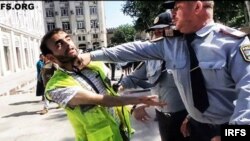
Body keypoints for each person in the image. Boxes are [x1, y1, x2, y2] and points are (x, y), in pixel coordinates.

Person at [75, 1, 250, 141]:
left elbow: (248, 93)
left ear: (197, 7)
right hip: (195, 126)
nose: (173, 13)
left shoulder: (233, 43)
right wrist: (92, 55)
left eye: (177, 7)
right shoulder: (172, 44)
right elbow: (135, 49)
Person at [40, 28, 165, 141]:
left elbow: (111, 93)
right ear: (50, 57)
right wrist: (138, 99)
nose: (68, 44)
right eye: (59, 44)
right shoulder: (55, 87)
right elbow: (103, 100)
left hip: (121, 133)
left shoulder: (96, 66)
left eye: (68, 38)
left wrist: (132, 109)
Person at [119, 11, 188, 141]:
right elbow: (134, 78)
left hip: (184, 116)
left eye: (161, 30)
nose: (156, 34)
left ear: (173, 30)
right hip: (162, 116)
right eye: (155, 31)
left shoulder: (185, 53)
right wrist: (117, 87)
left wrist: (191, 117)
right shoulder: (151, 57)